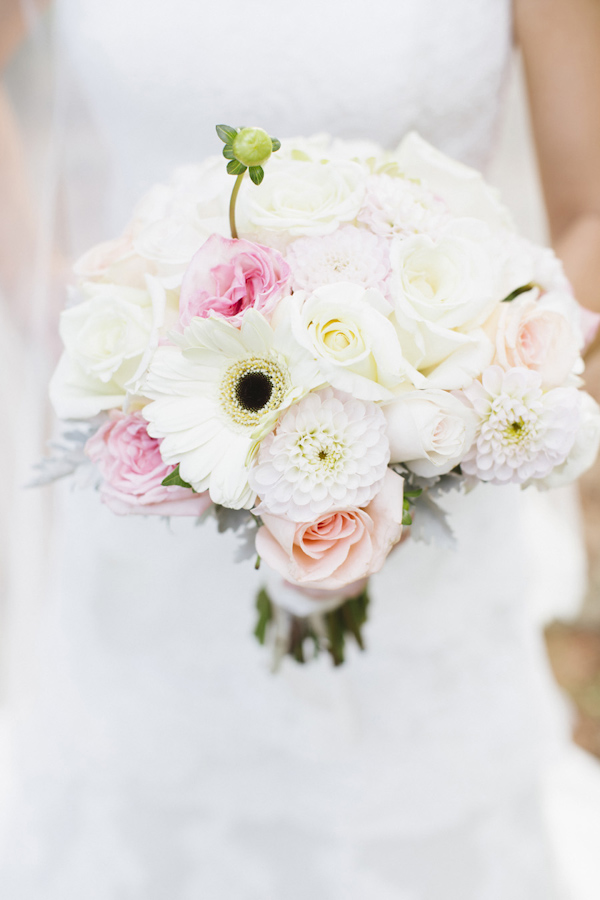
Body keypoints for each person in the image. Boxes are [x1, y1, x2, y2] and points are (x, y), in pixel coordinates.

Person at [1, 1, 600, 897]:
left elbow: (590, 211)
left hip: (429, 485)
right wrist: (46, 282)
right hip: (147, 471)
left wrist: (440, 409)